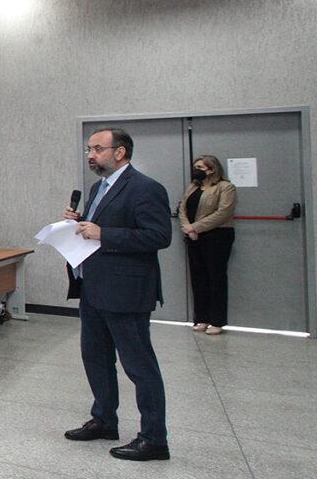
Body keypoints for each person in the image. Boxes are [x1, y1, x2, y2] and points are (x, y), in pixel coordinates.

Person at [63, 128, 171, 462]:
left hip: (127, 292)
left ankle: (154, 438)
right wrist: (80, 223)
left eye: (97, 149)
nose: (90, 155)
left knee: (139, 366)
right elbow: (98, 229)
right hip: (94, 288)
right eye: (89, 149)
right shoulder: (98, 188)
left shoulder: (145, 188)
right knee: (95, 358)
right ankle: (104, 420)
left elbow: (159, 236)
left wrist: (103, 233)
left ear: (120, 152)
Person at [177, 154, 236, 336]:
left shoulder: (225, 187)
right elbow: (182, 209)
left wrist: (195, 227)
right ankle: (201, 318)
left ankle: (217, 321)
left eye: (200, 168)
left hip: (217, 236)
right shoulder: (193, 187)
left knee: (216, 278)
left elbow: (223, 213)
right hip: (193, 237)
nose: (196, 171)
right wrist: (188, 228)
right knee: (198, 278)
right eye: (195, 167)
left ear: (211, 169)